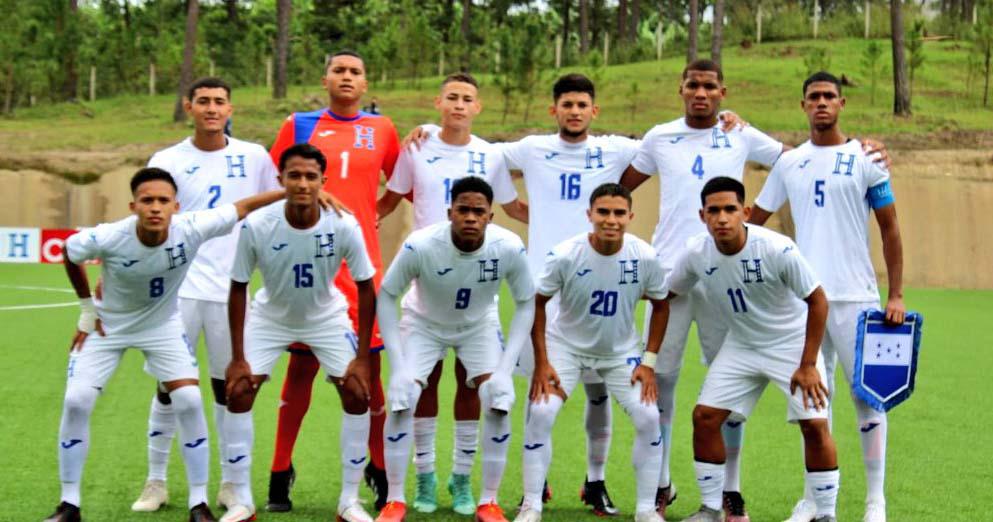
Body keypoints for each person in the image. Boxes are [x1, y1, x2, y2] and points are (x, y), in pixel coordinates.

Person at [620, 59, 889, 520]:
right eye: (693, 85)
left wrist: (862, 149)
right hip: (677, 272)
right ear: (680, 90)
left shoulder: (741, 135)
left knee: (749, 405)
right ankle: (662, 487)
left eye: (709, 86)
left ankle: (734, 494)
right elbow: (616, 192)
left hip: (744, 292)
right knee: (664, 385)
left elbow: (803, 157)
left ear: (724, 91)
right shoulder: (658, 136)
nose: (701, 93)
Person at [47, 168, 284, 522]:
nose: (155, 208)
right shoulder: (110, 236)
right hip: (108, 326)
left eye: (162, 201)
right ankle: (69, 504)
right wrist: (85, 309)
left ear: (176, 205)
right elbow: (69, 251)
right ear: (133, 206)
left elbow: (245, 205)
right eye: (147, 201)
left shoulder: (192, 227)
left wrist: (296, 192)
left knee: (188, 399)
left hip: (162, 326)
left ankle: (198, 503)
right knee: (76, 401)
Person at [750, 71, 904, 522]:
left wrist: (895, 294)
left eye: (829, 97)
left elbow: (891, 228)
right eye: (813, 97)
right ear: (802, 106)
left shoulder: (866, 158)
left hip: (857, 296)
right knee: (813, 400)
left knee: (867, 397)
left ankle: (875, 501)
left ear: (841, 104)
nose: (821, 103)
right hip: (802, 298)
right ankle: (813, 499)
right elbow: (753, 223)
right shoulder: (789, 162)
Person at [376, 73, 528, 515]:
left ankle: (476, 491)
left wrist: (502, 369)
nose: (459, 105)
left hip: (476, 308)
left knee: (494, 396)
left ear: (478, 107)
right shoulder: (417, 146)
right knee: (407, 392)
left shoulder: (491, 159)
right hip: (425, 293)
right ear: (438, 102)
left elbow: (524, 299)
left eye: (468, 99)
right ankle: (407, 490)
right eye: (452, 98)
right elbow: (391, 198)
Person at [130, 77, 281, 513]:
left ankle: (232, 485)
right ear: (188, 107)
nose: (211, 108)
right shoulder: (167, 158)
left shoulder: (252, 156)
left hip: (230, 289)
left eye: (219, 102)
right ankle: (156, 481)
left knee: (230, 388)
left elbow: (273, 208)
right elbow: (152, 217)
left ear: (230, 108)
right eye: (203, 102)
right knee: (168, 387)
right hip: (177, 290)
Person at [267, 49, 400, 511]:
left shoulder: (383, 130)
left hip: (363, 269)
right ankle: (279, 472)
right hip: (310, 267)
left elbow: (400, 183)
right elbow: (275, 183)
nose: (346, 77)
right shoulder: (299, 125)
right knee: (300, 368)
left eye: (355, 72)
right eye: (339, 70)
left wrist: (371, 217)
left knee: (371, 373)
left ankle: (379, 470)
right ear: (325, 78)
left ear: (366, 83)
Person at [220, 144, 378, 522]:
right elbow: (238, 286)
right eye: (294, 175)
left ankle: (349, 501)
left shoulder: (343, 222)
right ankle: (242, 500)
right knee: (239, 391)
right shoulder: (258, 224)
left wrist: (361, 358)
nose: (302, 183)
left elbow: (366, 286)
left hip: (326, 317)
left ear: (324, 181)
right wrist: (238, 357)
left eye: (311, 176)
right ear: (281, 180)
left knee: (357, 393)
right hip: (271, 317)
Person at [667, 177, 839, 522]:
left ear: (745, 212)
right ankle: (711, 509)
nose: (722, 218)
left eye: (730, 209)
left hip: (790, 344)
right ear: (702, 215)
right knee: (704, 417)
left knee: (815, 425)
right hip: (742, 344)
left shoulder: (777, 248)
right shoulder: (697, 253)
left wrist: (808, 364)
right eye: (713, 210)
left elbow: (818, 301)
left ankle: (826, 514)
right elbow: (667, 291)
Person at [516, 183, 669, 522]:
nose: (610, 220)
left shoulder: (645, 256)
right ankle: (531, 505)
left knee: (649, 417)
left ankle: (645, 509)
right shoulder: (566, 254)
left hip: (621, 354)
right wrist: (542, 362)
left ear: (630, 215)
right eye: (603, 212)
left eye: (618, 213)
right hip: (565, 349)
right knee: (541, 414)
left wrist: (649, 362)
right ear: (590, 215)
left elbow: (661, 305)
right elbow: (537, 303)